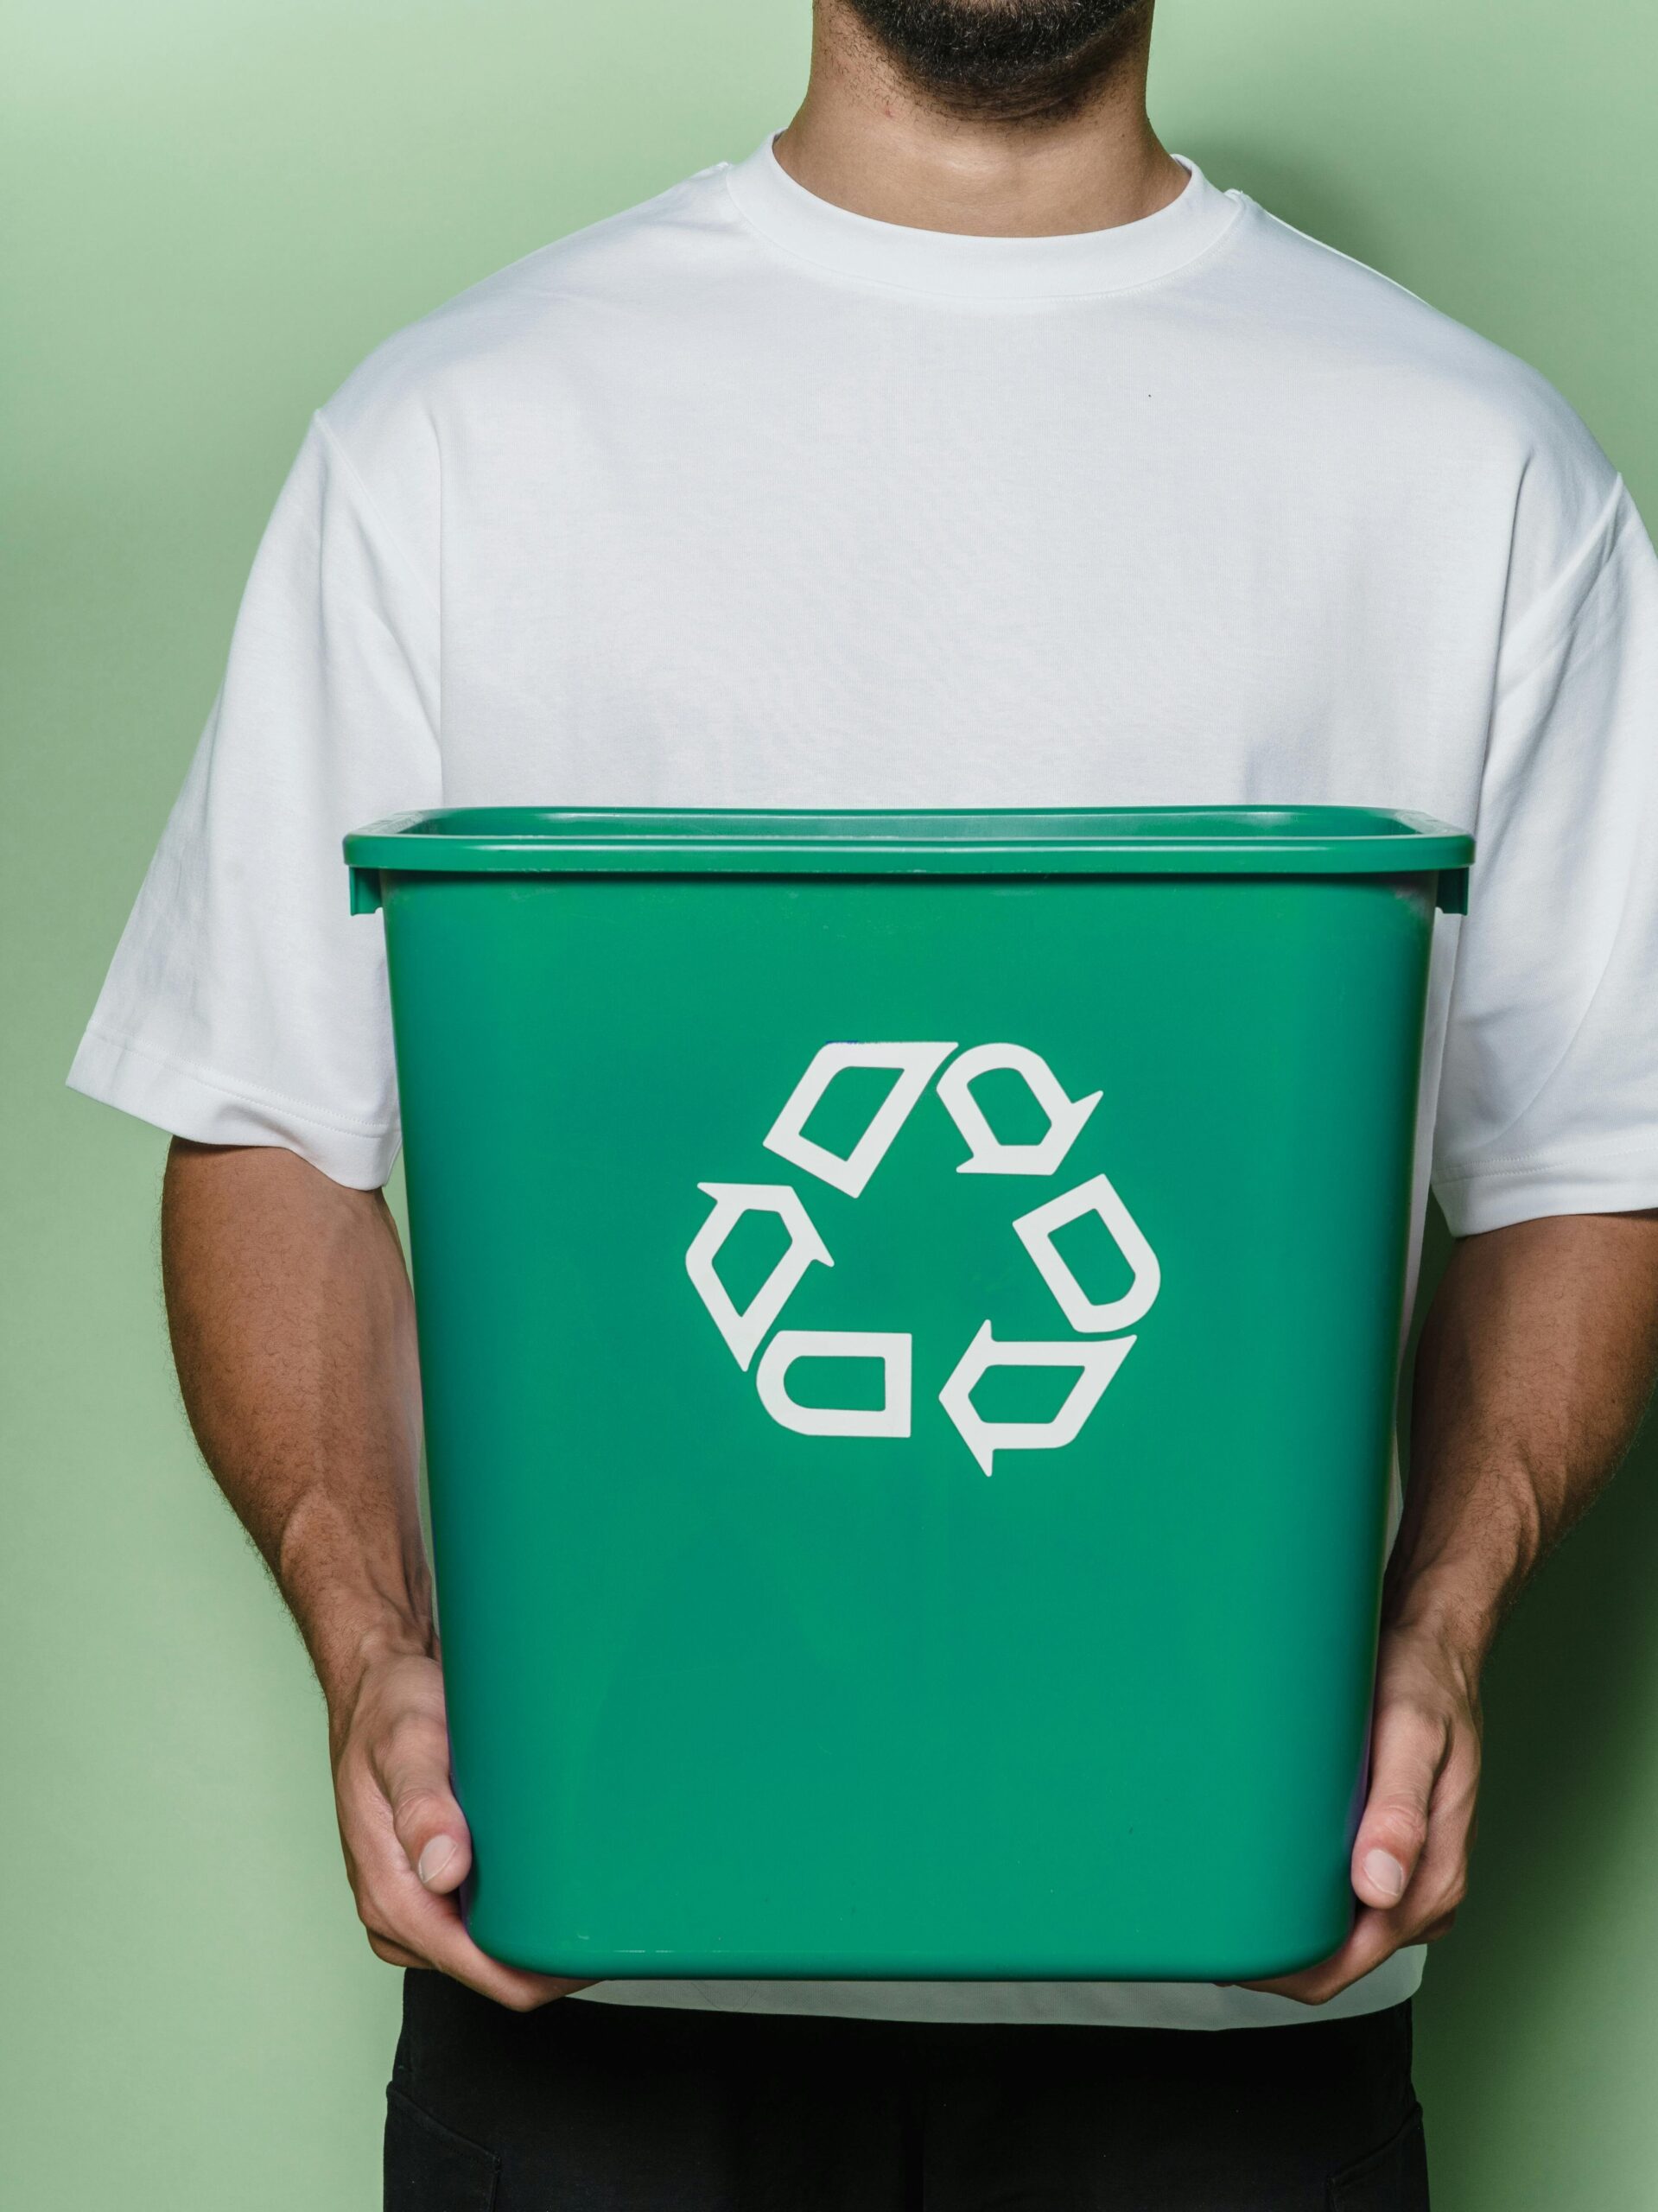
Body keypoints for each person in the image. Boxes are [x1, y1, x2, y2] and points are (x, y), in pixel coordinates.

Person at [69, 0, 1658, 2204]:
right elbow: (262, 1128)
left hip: (1234, 2005)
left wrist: (1447, 1622)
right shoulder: (458, 433)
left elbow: (1589, 1158)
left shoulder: (1468, 459)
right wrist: (368, 1650)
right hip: (594, 1982)